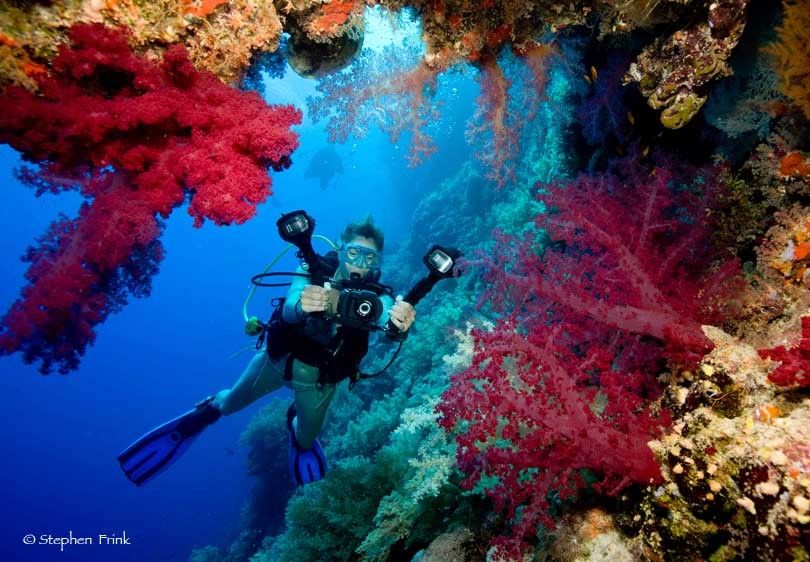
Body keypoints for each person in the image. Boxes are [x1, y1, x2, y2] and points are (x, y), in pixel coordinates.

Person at [118, 217, 416, 487]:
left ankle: (293, 418)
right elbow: (289, 307)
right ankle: (208, 408)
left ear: (377, 262)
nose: (360, 265)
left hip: (319, 382)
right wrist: (304, 306)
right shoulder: (311, 270)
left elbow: (386, 319)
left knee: (305, 437)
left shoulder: (377, 298)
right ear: (340, 248)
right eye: (353, 253)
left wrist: (398, 325)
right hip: (275, 362)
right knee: (229, 405)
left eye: (369, 257)